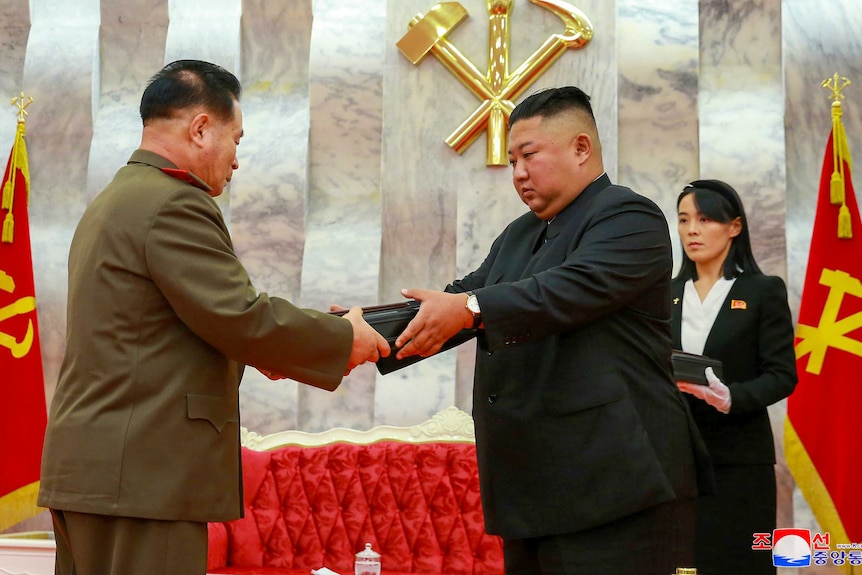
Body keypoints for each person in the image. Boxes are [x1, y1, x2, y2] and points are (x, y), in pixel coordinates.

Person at [37, 60, 390, 575]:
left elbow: (175, 326)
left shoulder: (117, 199)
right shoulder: (171, 202)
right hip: (142, 476)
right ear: (201, 128)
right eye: (237, 140)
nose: (237, 161)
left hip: (104, 471)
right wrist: (344, 337)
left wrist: (264, 352)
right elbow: (240, 315)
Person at [393, 86, 711, 575]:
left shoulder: (629, 217)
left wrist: (470, 306)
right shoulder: (520, 232)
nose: (518, 173)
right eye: (512, 159)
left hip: (616, 486)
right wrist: (348, 334)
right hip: (533, 488)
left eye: (529, 155)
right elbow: (455, 300)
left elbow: (561, 291)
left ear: (581, 148)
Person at [672, 179, 797, 574]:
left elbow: (782, 375)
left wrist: (732, 398)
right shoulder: (663, 294)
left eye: (705, 219)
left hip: (739, 463)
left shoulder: (762, 291)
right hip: (672, 461)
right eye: (684, 219)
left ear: (734, 227)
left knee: (740, 564)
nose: (692, 229)